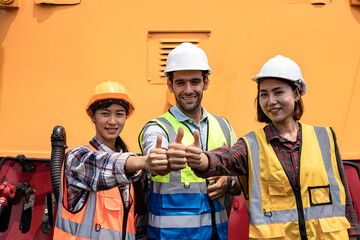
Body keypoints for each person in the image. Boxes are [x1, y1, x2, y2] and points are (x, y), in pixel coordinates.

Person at [187, 55, 360, 240]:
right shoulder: (251, 145)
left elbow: (344, 200)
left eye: (278, 92)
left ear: (296, 93)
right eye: (264, 94)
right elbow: (225, 158)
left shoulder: (325, 138)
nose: (270, 101)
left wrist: (353, 234)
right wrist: (202, 160)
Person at [139, 42, 240, 240]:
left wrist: (229, 181)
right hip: (169, 236)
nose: (188, 90)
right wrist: (163, 162)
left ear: (206, 82)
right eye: (180, 83)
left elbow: (240, 177)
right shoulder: (156, 128)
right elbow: (154, 158)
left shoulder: (224, 126)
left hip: (216, 235)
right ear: (170, 85)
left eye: (195, 82)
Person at [53, 81, 168, 240]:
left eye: (119, 114)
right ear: (93, 116)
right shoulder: (77, 158)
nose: (113, 121)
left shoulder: (135, 170)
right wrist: (143, 162)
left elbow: (139, 224)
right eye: (105, 113)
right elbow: (102, 165)